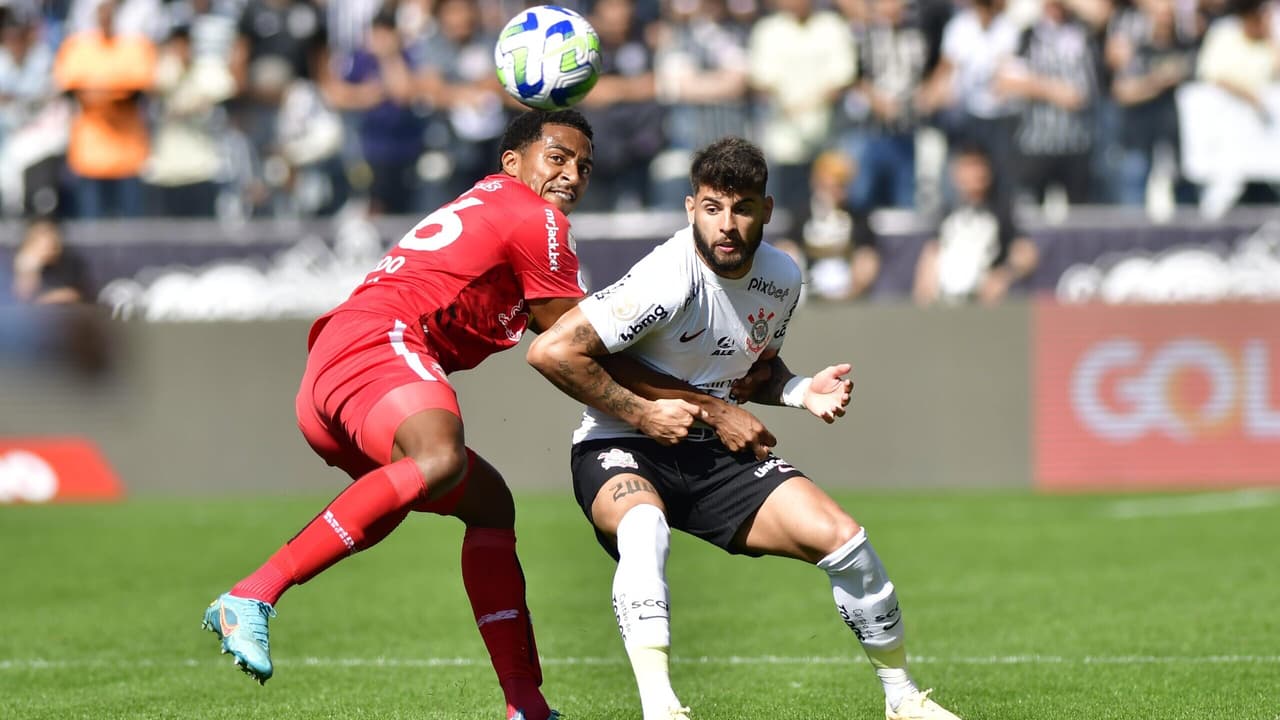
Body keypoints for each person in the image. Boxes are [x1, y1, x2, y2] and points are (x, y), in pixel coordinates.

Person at [200, 109, 702, 720]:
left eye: (584, 166)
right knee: (437, 457)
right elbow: (576, 340)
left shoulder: (496, 205)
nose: (572, 174)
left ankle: (527, 706)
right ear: (512, 164)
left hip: (333, 374)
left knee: (489, 505)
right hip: (379, 345)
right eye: (558, 158)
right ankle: (252, 595)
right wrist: (683, 401)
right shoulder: (534, 215)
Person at [526, 137, 964, 720]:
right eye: (712, 208)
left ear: (768, 210)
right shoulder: (666, 276)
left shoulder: (782, 276)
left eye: (742, 208)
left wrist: (801, 390)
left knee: (847, 543)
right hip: (621, 442)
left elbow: (749, 373)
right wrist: (673, 413)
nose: (726, 225)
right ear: (690, 209)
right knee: (643, 528)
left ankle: (902, 699)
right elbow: (554, 352)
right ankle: (661, 708)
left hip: (712, 454)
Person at [912, 144, 1038, 306]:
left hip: (985, 305)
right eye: (967, 166)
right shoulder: (946, 213)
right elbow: (931, 253)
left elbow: (1026, 254)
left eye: (978, 165)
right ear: (955, 173)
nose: (973, 173)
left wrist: (1002, 277)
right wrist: (924, 289)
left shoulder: (1001, 212)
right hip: (945, 304)